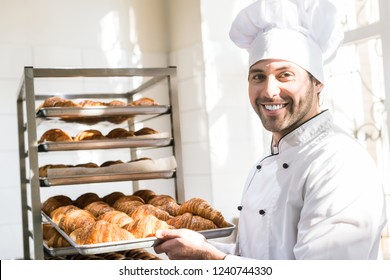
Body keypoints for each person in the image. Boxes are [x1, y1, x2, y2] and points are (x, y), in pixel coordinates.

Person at [154, 0, 387, 259]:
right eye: (258, 76)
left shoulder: (339, 163)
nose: (269, 90)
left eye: (285, 75)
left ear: (317, 82)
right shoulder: (272, 158)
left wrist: (210, 258)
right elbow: (264, 257)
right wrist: (204, 247)